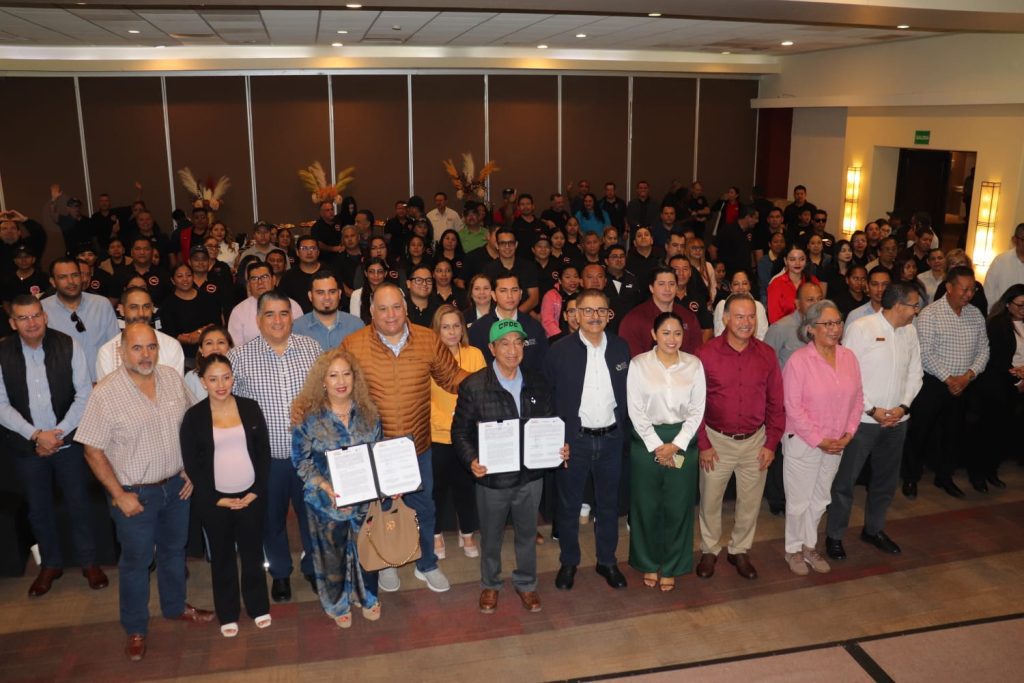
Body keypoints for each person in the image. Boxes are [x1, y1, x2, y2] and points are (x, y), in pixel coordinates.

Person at [76, 322, 214, 662]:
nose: (145, 354)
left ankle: (175, 606)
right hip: (134, 494)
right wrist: (118, 494)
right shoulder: (105, 393)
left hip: (176, 488)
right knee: (137, 561)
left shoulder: (171, 378)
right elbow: (92, 450)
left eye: (151, 346)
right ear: (122, 351)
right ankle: (136, 627)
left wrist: (191, 469)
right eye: (137, 348)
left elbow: (194, 423)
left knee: (174, 551)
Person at [341, 283, 468, 593]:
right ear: (371, 312)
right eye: (383, 308)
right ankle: (387, 562)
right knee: (381, 511)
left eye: (396, 307)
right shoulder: (353, 344)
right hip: (377, 448)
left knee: (423, 509)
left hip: (417, 445)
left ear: (406, 308)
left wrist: (492, 379)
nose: (390, 315)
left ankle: (426, 563)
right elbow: (340, 390)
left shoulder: (427, 339)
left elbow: (452, 378)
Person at [452, 318, 569, 614]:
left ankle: (526, 583)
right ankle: (490, 584)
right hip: (492, 479)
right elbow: (460, 432)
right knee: (491, 537)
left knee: (527, 534)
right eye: (504, 344)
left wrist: (559, 447)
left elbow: (549, 422)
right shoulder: (473, 386)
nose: (512, 350)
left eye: (518, 343)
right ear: (492, 348)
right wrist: (471, 460)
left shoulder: (537, 381)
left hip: (530, 477)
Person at [0, 295, 107, 597]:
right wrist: (36, 435)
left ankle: (89, 561)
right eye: (23, 318)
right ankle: (50, 564)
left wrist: (56, 434)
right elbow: (1, 404)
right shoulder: (2, 353)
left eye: (36, 315)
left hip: (67, 442)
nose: (31, 323)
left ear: (45, 316)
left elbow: (84, 395)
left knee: (79, 504)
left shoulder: (68, 345)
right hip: (27, 447)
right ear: (13, 323)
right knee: (39, 510)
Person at [228, 291, 323, 602]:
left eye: (283, 313)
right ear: (258, 320)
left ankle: (314, 568)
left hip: (308, 455)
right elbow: (229, 407)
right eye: (270, 314)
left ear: (291, 317)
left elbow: (323, 396)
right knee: (271, 520)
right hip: (266, 459)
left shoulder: (311, 349)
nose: (278, 320)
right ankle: (280, 572)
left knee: (313, 515)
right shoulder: (239, 357)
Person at [827, 283, 923, 561]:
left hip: (898, 421)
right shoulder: (862, 328)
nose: (917, 311)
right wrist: (872, 409)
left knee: (885, 482)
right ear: (898, 305)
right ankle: (834, 535)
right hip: (862, 421)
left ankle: (874, 529)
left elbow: (915, 372)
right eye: (914, 305)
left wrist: (903, 406)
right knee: (845, 483)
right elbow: (847, 374)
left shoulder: (910, 331)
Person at [544, 288, 631, 591]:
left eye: (601, 310)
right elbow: (549, 398)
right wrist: (559, 438)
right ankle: (569, 562)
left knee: (608, 505)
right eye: (588, 311)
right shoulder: (559, 351)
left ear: (609, 315)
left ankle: (607, 561)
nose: (595, 316)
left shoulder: (621, 348)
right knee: (568, 506)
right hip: (574, 442)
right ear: (576, 315)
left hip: (611, 439)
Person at [290, 348, 383, 629]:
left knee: (367, 550)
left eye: (346, 374)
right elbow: (301, 461)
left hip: (364, 500)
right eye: (333, 375)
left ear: (355, 378)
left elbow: (378, 454)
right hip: (325, 502)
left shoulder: (369, 413)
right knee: (332, 557)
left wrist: (390, 483)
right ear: (322, 381)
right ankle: (337, 603)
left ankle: (368, 596)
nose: (341, 381)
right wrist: (324, 485)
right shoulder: (309, 418)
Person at [694, 293, 785, 581]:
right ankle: (710, 549)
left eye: (750, 316)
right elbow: (695, 405)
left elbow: (776, 403)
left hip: (755, 441)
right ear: (725, 319)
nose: (746, 322)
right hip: (716, 441)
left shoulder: (767, 354)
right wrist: (703, 444)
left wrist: (771, 443)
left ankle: (739, 549)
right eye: (739, 316)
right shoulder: (705, 354)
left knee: (750, 502)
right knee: (710, 500)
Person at [180, 354, 271, 637]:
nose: (221, 385)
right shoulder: (194, 417)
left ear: (233, 377)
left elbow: (263, 453)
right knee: (222, 557)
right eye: (213, 379)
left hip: (250, 497)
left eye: (226, 377)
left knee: (252, 553)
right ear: (202, 382)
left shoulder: (250, 407)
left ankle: (258, 606)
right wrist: (214, 498)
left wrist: (256, 492)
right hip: (215, 501)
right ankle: (228, 613)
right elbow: (192, 463)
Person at [780, 301, 863, 576]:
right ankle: (793, 549)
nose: (834, 328)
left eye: (838, 322)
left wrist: (849, 433)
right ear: (811, 329)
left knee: (820, 499)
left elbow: (858, 398)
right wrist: (819, 440)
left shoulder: (849, 357)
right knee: (799, 501)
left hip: (837, 442)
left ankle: (809, 546)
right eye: (827, 324)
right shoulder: (799, 361)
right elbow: (793, 407)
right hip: (804, 442)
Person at [626, 312, 705, 592]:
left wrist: (676, 444)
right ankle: (647, 562)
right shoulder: (639, 364)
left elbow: (697, 410)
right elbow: (635, 409)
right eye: (666, 333)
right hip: (646, 442)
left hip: (682, 442)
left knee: (678, 507)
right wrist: (656, 445)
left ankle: (672, 565)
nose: (672, 339)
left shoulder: (693, 365)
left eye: (677, 333)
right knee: (646, 506)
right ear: (654, 334)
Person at [903, 265, 990, 499]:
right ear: (949, 287)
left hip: (964, 383)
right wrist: (949, 379)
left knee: (954, 434)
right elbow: (925, 352)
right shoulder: (930, 313)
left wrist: (968, 376)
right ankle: (911, 477)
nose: (969, 294)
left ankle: (944, 476)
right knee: (920, 432)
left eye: (972, 289)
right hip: (934, 383)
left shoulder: (975, 314)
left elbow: (984, 349)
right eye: (964, 289)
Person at [430, 305, 486, 560]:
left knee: (466, 487)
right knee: (437, 489)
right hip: (437, 434)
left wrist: (463, 421)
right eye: (445, 327)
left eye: (456, 326)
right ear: (437, 330)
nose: (452, 332)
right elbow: (424, 398)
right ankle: (436, 534)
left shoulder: (474, 354)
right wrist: (449, 421)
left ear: (463, 329)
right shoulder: (428, 357)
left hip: (468, 435)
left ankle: (467, 533)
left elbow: (482, 392)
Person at [41, 257, 119, 383]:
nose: (71, 281)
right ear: (53, 282)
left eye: (75, 275)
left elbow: (116, 348)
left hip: (103, 383)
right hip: (63, 385)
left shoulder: (101, 304)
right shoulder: (42, 310)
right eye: (63, 277)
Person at [978, 284, 1024, 488]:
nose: (1023, 310)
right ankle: (982, 472)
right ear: (1007, 304)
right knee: (991, 430)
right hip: (999, 383)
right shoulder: (997, 325)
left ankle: (993, 469)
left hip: (1018, 380)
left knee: (1005, 431)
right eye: (1020, 305)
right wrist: (1018, 379)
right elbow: (998, 359)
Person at [96, 287, 185, 379]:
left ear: (152, 308)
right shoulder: (107, 352)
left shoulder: (171, 345)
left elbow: (176, 386)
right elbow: (107, 388)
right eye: (134, 307)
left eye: (146, 307)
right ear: (122, 309)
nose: (141, 314)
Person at [468, 271, 548, 370]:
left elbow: (544, 365)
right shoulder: (478, 328)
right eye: (503, 291)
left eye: (514, 290)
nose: (510, 296)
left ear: (521, 293)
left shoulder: (534, 326)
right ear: (493, 295)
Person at [618, 267, 701, 358]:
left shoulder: (689, 317)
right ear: (651, 288)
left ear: (677, 287)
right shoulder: (633, 320)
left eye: (671, 284)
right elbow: (633, 357)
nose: (667, 289)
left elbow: (695, 354)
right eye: (661, 284)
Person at [227, 261, 303, 346]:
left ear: (274, 280)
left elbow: (300, 339)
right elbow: (235, 347)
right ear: (248, 284)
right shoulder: (239, 311)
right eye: (254, 279)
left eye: (265, 277)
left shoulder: (292, 306)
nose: (260, 282)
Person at [159, 263, 223, 362]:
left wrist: (198, 333)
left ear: (193, 277)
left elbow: (216, 324)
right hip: (181, 355)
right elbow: (170, 334)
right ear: (172, 280)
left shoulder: (207, 298)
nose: (185, 279)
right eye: (180, 276)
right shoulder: (167, 305)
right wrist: (189, 339)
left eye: (188, 275)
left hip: (209, 352)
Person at [293, 270, 363, 350]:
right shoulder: (296, 328)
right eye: (320, 292)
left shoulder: (356, 326)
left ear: (339, 294)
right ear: (310, 296)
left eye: (332, 292)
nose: (327, 297)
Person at [767, 244, 819, 323]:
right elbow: (774, 320)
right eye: (792, 259)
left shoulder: (813, 281)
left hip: (811, 326)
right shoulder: (776, 284)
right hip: (784, 328)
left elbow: (819, 309)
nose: (797, 263)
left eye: (801, 259)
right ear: (785, 261)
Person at [713, 269, 768, 340]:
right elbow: (719, 335)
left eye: (744, 283)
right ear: (730, 287)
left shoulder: (758, 306)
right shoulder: (722, 306)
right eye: (736, 284)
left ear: (749, 286)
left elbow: (763, 336)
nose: (741, 287)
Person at [184, 325, 234, 403]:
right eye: (209, 343)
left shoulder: (239, 373)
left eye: (221, 342)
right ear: (201, 349)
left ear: (229, 347)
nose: (215, 348)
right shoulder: (191, 377)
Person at [983, 222, 1024, 305]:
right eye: (1023, 239)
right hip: (1001, 311)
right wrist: (996, 311)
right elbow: (988, 291)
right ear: (1014, 239)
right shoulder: (1000, 261)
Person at [540, 265, 580, 338]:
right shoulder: (551, 295)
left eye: (575, 276)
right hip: (556, 337)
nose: (573, 280)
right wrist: (561, 338)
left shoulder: (583, 295)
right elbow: (547, 321)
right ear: (560, 280)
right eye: (568, 277)